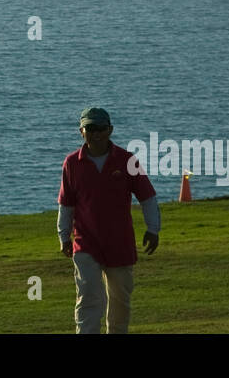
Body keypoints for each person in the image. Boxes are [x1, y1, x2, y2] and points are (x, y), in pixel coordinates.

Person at [57, 108, 160, 334]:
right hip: (86, 243)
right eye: (90, 129)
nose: (96, 134)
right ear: (81, 131)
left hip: (119, 243)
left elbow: (147, 197)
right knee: (88, 298)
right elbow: (66, 204)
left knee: (120, 301)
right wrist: (64, 236)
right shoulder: (72, 163)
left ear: (110, 130)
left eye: (101, 128)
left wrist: (153, 229)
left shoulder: (127, 160)